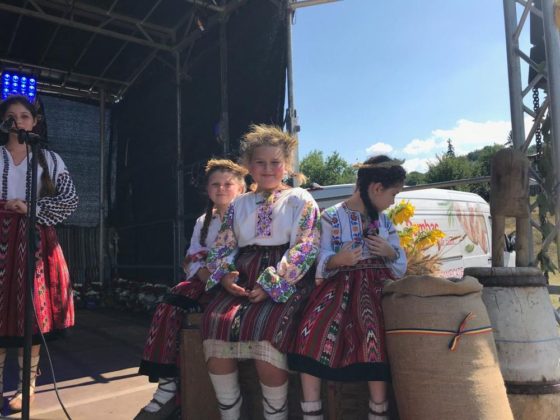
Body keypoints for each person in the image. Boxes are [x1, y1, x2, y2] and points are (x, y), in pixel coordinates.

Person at [202, 124, 320, 420]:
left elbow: (306, 245)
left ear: (287, 165)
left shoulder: (300, 199)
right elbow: (224, 244)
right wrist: (225, 275)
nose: (268, 169)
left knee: (267, 330)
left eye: (275, 162)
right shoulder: (238, 204)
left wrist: (272, 284)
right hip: (242, 275)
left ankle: (275, 416)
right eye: (260, 162)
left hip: (285, 277)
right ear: (248, 166)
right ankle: (230, 415)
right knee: (215, 322)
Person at [288, 155, 407, 420]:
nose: (393, 201)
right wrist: (336, 260)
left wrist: (390, 252)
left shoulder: (385, 222)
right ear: (377, 188)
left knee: (373, 334)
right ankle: (312, 412)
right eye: (393, 194)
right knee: (310, 331)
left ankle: (378, 410)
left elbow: (400, 264)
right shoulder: (331, 217)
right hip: (337, 289)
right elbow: (320, 255)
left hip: (376, 289)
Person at [135, 159, 247, 420]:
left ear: (241, 188)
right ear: (207, 189)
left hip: (236, 280)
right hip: (205, 280)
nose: (221, 189)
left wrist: (215, 271)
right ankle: (167, 385)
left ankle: (177, 393)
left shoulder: (247, 216)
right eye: (215, 184)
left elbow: (242, 253)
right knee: (169, 305)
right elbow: (193, 255)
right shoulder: (203, 220)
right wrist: (204, 271)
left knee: (201, 317)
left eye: (228, 184)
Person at [0, 95, 78, 411]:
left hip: (35, 242)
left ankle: (26, 386)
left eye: (24, 116)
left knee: (30, 314)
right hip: (1, 239)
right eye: (11, 116)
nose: (18, 121)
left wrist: (31, 207)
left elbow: (69, 201)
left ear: (34, 122)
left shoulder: (49, 160)